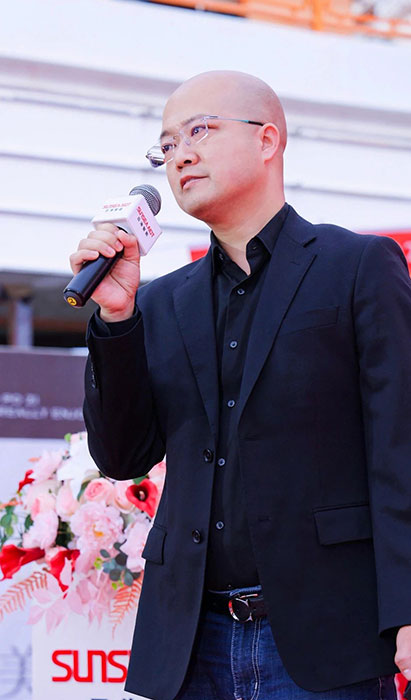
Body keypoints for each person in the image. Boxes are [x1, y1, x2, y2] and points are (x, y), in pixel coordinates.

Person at [70, 70, 411, 700]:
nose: (181, 155)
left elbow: (400, 449)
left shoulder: (357, 267)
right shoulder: (161, 301)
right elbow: (122, 456)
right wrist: (116, 320)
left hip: (324, 638)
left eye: (199, 131)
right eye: (167, 145)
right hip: (190, 644)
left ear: (268, 140)